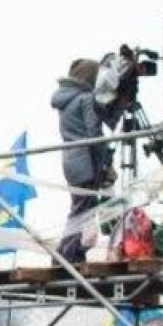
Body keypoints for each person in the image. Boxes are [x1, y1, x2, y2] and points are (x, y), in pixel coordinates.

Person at [52, 59, 117, 263]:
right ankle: (67, 255)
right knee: (82, 212)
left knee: (81, 208)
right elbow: (94, 133)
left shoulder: (66, 99)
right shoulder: (86, 99)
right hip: (86, 161)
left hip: (70, 159)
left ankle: (70, 252)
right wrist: (107, 161)